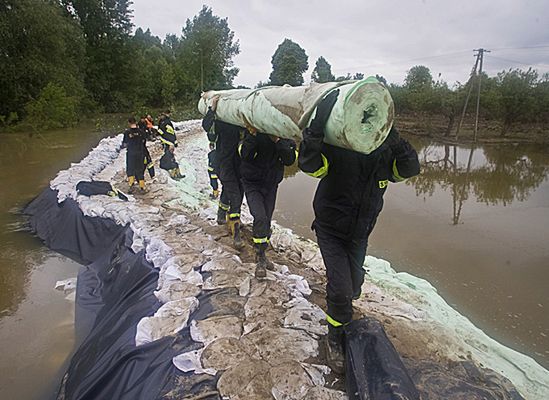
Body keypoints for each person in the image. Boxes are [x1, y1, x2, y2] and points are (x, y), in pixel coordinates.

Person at [298, 90, 420, 373]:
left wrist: (396, 141)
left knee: (353, 287)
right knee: (341, 290)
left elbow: (410, 168)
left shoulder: (385, 151)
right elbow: (309, 165)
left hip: (361, 230)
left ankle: (342, 303)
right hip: (330, 227)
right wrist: (317, 126)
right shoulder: (340, 146)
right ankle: (335, 339)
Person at [240, 129, 297, 278]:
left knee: (266, 220)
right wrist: (252, 136)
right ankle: (260, 257)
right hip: (252, 183)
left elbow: (290, 160)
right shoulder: (251, 133)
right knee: (260, 217)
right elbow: (245, 155)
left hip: (271, 184)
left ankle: (262, 252)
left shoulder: (284, 136)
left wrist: (278, 140)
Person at [202, 95, 245, 249]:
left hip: (239, 164)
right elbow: (207, 126)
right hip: (224, 164)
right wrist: (211, 110)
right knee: (236, 196)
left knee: (234, 190)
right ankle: (235, 232)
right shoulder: (222, 123)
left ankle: (221, 212)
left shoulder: (242, 124)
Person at [122, 116, 147, 193]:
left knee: (130, 169)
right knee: (140, 169)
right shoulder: (141, 132)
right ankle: (142, 187)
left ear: (129, 123)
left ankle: (131, 185)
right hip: (140, 153)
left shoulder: (127, 132)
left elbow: (124, 144)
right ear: (136, 122)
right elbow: (144, 142)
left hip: (131, 154)